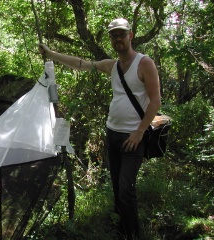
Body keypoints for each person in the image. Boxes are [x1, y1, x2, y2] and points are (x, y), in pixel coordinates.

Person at [39, 18, 161, 239]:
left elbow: (155, 101)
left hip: (133, 137)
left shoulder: (144, 63)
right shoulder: (112, 65)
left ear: (130, 35)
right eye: (114, 36)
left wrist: (139, 132)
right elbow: (80, 64)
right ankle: (121, 229)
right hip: (112, 133)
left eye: (121, 34)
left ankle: (133, 234)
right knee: (117, 187)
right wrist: (51, 53)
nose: (118, 39)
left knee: (126, 189)